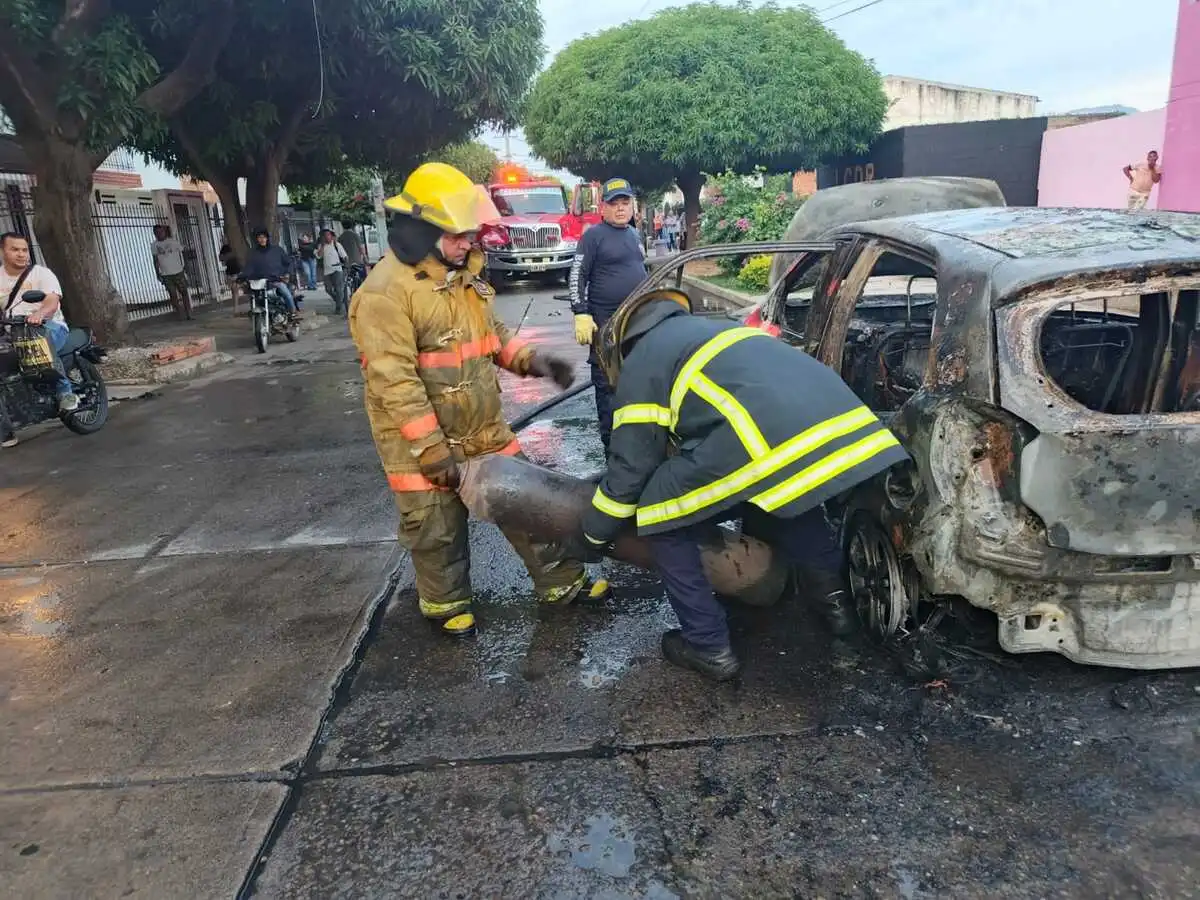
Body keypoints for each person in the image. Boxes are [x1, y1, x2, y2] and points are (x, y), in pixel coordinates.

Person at [578, 288, 910, 681]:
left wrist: (591, 537)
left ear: (623, 342)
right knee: (787, 492)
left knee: (659, 509)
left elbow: (630, 470)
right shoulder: (719, 329)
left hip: (766, 439)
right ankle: (838, 610)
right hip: (848, 428)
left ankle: (707, 646)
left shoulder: (644, 359)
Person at [349, 161, 609, 638]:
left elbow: (491, 336)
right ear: (420, 230)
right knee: (436, 529)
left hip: (483, 427)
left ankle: (561, 583)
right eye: (458, 235)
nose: (469, 242)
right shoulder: (385, 294)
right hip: (419, 440)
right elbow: (394, 382)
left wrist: (534, 361)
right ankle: (445, 606)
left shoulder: (463, 276)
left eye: (470, 233)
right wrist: (430, 449)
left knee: (529, 504)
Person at [568, 177, 648, 449]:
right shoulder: (593, 236)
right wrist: (580, 312)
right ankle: (612, 449)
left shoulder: (634, 234)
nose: (621, 208)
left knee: (637, 385)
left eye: (625, 202)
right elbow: (577, 274)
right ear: (603, 207)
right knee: (609, 391)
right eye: (614, 204)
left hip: (636, 326)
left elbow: (642, 273)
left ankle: (637, 444)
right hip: (606, 330)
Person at [0, 233, 79, 426]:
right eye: (15, 249)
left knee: (38, 345)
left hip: (47, 326)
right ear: (2, 251)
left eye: (24, 250)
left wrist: (40, 314)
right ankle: (7, 427)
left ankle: (65, 393)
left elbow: (52, 301)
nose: (21, 254)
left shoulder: (41, 274)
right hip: (13, 330)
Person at [241, 228, 300, 319]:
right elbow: (249, 267)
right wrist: (242, 277)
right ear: (256, 239)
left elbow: (288, 262)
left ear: (267, 238)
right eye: (259, 237)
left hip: (276, 280)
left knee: (286, 292)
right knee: (253, 296)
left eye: (264, 237)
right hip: (260, 283)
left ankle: (293, 312)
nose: (262, 239)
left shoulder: (277, 250)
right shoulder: (253, 253)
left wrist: (287, 274)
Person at [151, 224, 192, 320]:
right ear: (154, 234)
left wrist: (186, 266)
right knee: (172, 294)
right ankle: (179, 313)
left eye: (161, 232)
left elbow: (183, 251)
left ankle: (188, 313)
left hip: (178, 271)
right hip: (166, 274)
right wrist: (157, 273)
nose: (159, 234)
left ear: (164, 232)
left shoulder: (173, 242)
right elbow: (155, 260)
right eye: (157, 233)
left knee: (184, 292)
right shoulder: (154, 245)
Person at [319, 228, 349, 315]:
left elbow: (345, 256)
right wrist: (322, 246)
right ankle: (339, 300)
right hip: (327, 271)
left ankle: (338, 307)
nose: (327, 237)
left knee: (339, 289)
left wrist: (346, 267)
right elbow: (319, 256)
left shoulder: (337, 245)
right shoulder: (321, 246)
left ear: (331, 236)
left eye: (328, 235)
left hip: (337, 269)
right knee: (328, 289)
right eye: (325, 236)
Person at [219, 242, 243, 314]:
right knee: (235, 292)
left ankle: (236, 309)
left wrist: (231, 279)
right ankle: (236, 309)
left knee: (235, 292)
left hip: (236, 276)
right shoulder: (231, 260)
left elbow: (233, 272)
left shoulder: (232, 260)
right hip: (235, 275)